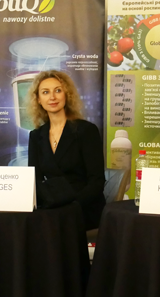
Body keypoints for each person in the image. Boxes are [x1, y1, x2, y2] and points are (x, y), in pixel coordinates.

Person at [27, 70, 105, 230]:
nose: (52, 97)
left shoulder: (86, 130)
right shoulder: (36, 136)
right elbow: (35, 181)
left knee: (51, 226)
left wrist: (72, 206)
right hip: (52, 206)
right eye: (45, 92)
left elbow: (96, 182)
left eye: (58, 90)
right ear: (39, 99)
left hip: (83, 208)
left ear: (66, 95)